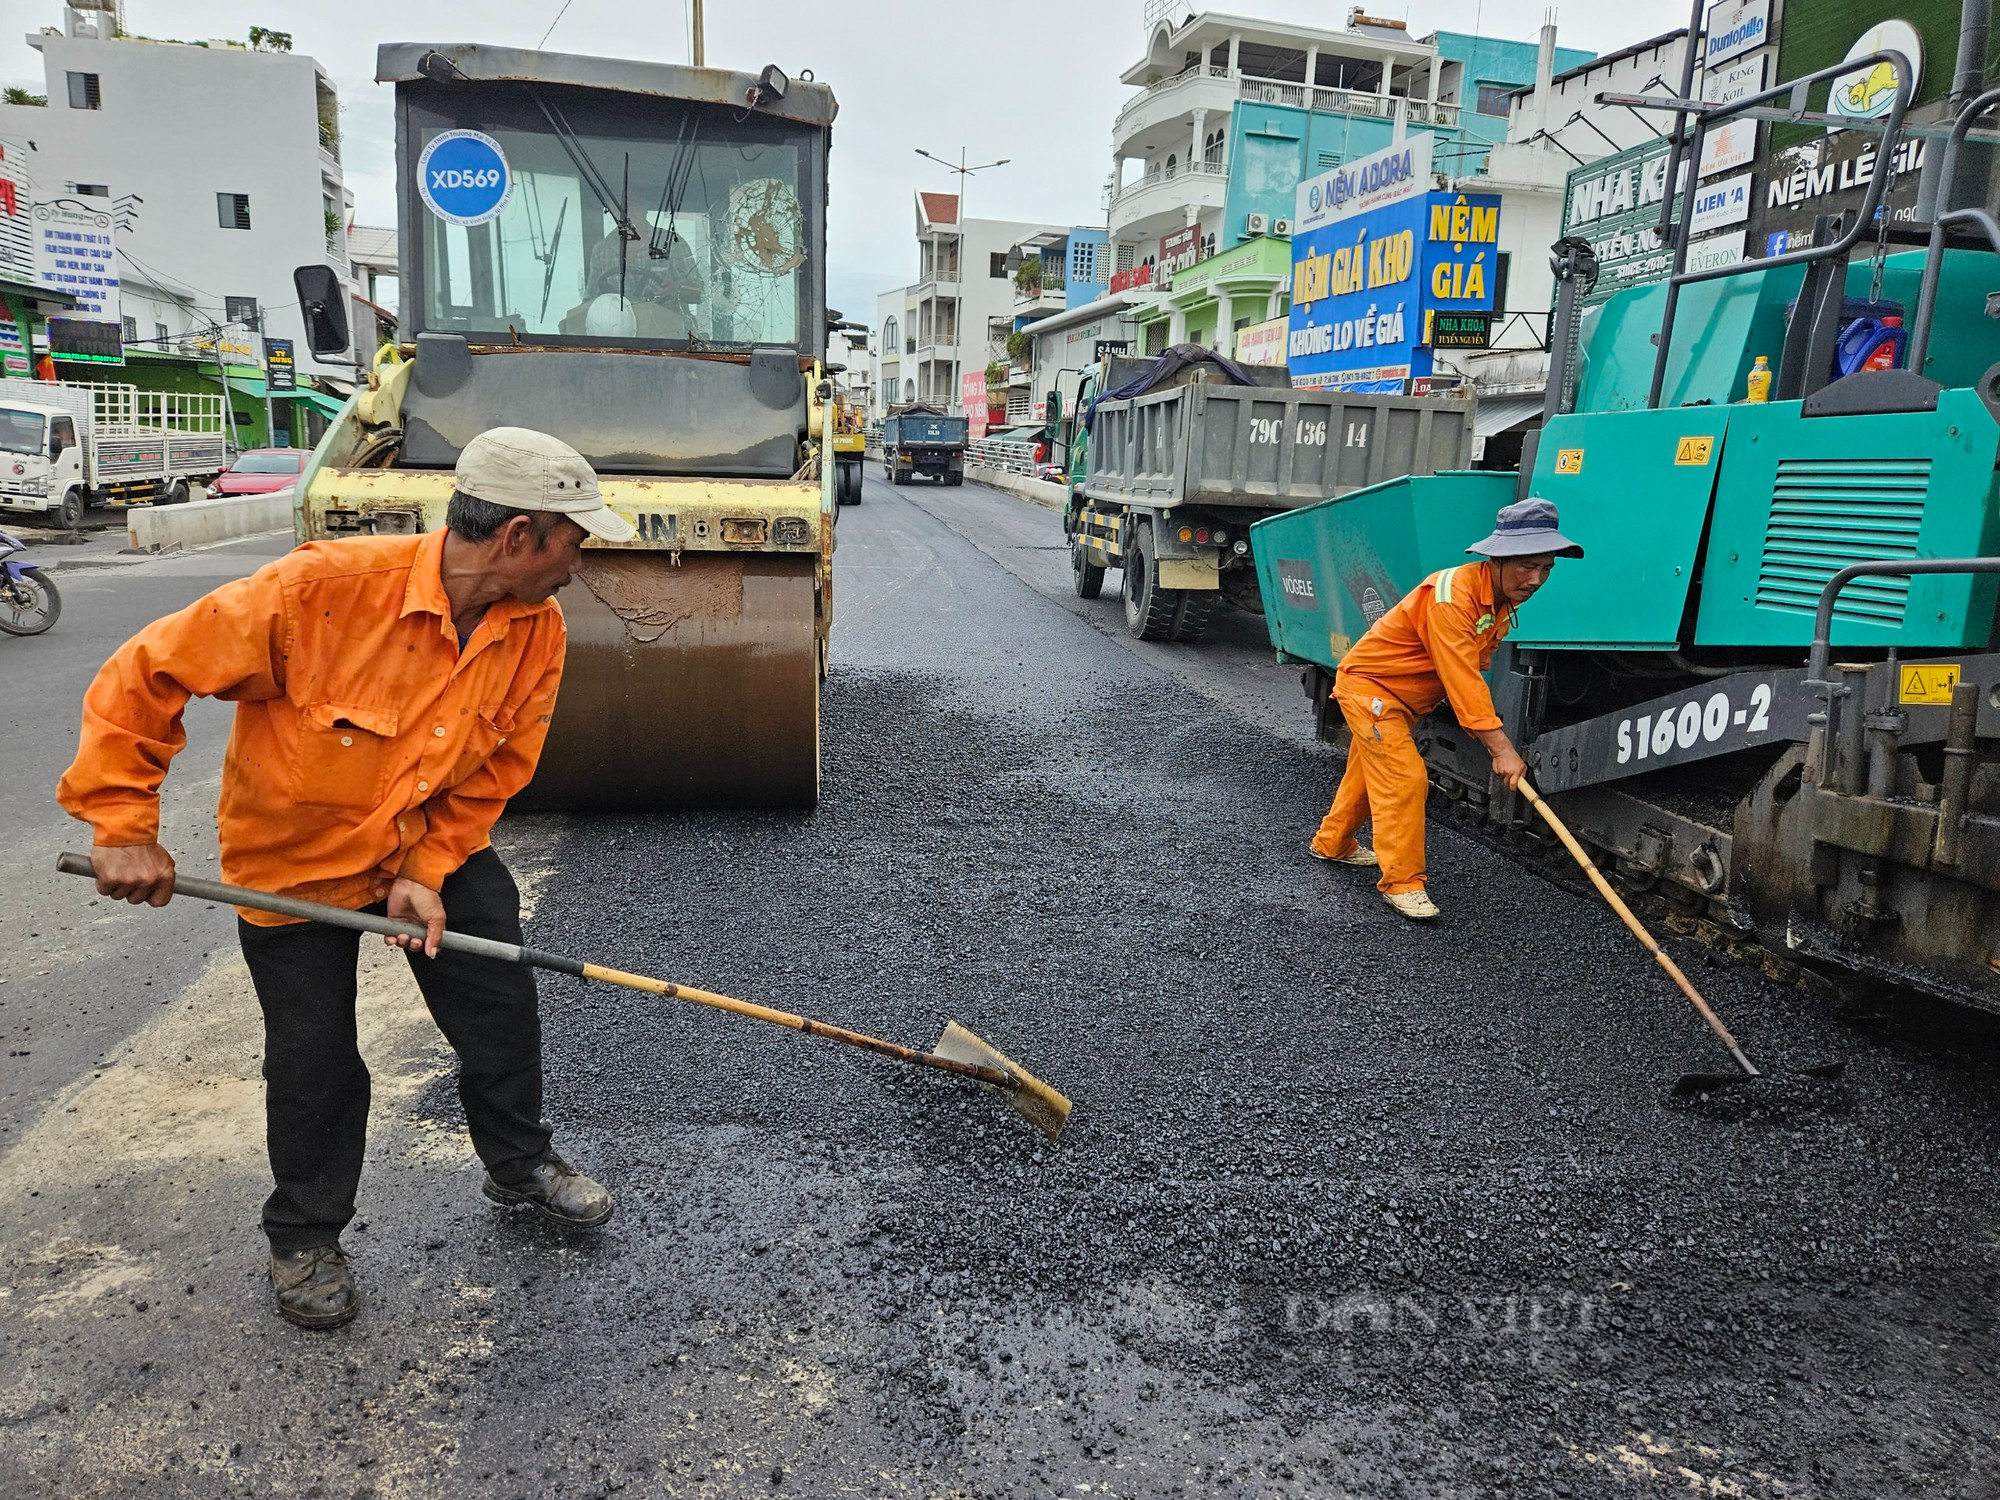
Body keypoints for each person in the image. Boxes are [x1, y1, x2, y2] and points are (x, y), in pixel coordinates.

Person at [56, 427, 639, 1330]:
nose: (582, 556)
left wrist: (427, 868)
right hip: (295, 867)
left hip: (429, 839)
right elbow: (145, 676)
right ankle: (304, 1238)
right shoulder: (317, 593)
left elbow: (497, 768)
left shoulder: (537, 629)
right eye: (576, 536)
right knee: (316, 1060)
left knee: (498, 1003)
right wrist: (123, 826)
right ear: (520, 536)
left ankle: (519, 1163)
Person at [1308, 497, 1583, 921]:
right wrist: (1500, 748)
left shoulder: (1500, 602)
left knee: (1368, 772)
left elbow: (1471, 668)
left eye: (1546, 567)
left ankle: (1333, 842)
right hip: (1372, 691)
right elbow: (1463, 679)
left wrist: (1486, 728)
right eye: (1527, 565)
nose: (1536, 579)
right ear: (1497, 558)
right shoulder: (1452, 598)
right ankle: (1403, 883)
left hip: (1401, 698)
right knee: (1405, 779)